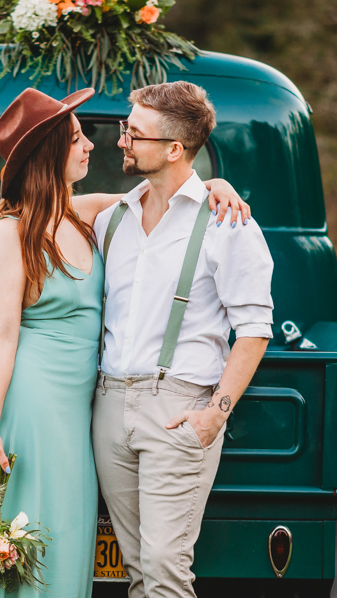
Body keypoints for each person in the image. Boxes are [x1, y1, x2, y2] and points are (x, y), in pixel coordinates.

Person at [0, 86, 248, 598]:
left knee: (63, 533)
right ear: (48, 156)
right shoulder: (10, 233)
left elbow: (170, 192)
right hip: (31, 406)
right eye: (77, 139)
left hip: (81, 410)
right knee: (19, 537)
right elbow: (4, 338)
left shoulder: (88, 214)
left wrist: (217, 183)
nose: (90, 147)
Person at [90, 81, 273, 598]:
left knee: (167, 570)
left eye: (133, 133)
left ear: (174, 149)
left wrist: (216, 413)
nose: (121, 140)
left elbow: (255, 328)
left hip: (177, 407)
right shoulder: (113, 218)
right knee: (137, 572)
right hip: (108, 407)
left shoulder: (228, 222)